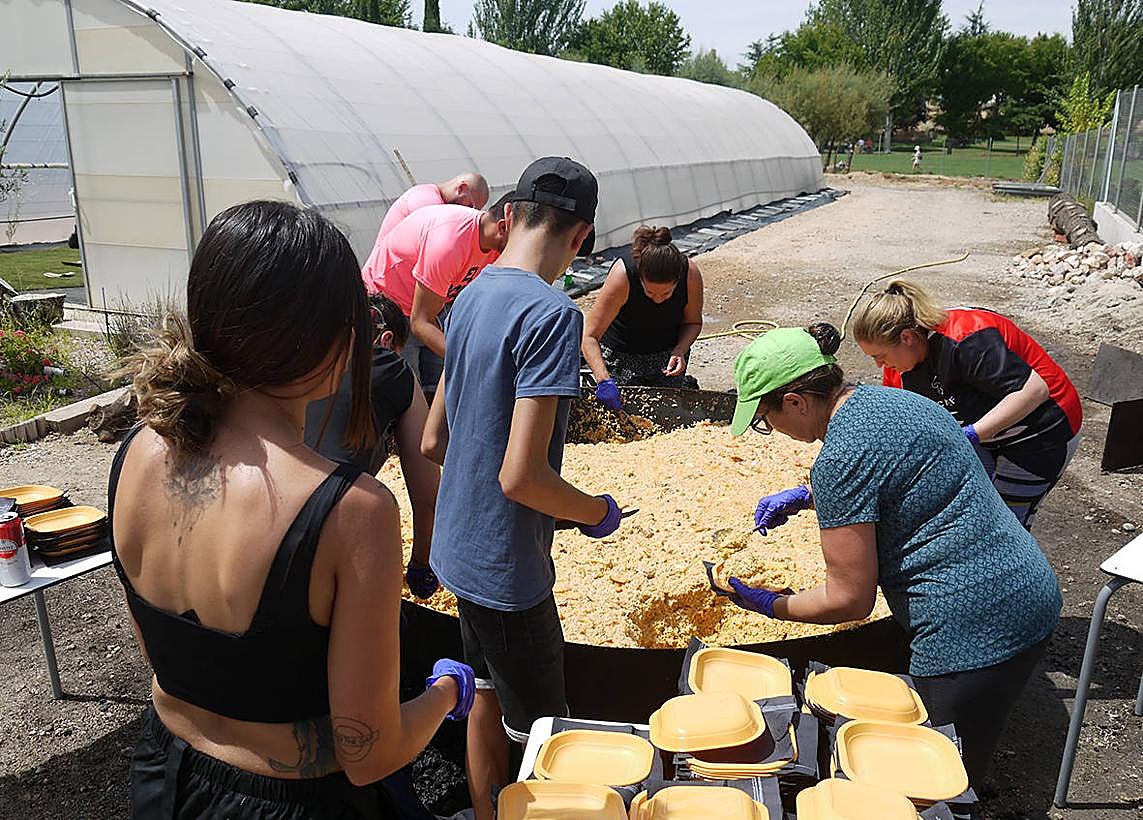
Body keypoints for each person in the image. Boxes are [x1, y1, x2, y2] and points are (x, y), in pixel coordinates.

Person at [111, 200, 474, 819]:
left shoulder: (138, 451)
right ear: (334, 340)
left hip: (165, 773)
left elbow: (161, 655)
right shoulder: (351, 512)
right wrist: (445, 691)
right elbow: (371, 752)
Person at [723, 324, 1061, 791]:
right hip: (1029, 583)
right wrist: (810, 496)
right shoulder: (899, 401)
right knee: (971, 739)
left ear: (797, 402)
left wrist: (769, 604)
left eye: (765, 417)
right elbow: (909, 481)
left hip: (969, 627)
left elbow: (849, 601)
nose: (770, 430)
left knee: (933, 781)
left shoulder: (841, 456)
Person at [422, 157, 624, 820]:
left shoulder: (470, 295)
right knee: (546, 734)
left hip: (455, 550)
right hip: (507, 572)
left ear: (507, 217)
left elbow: (433, 442)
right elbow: (523, 476)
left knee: (480, 693)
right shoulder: (551, 316)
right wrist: (595, 512)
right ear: (582, 235)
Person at [851, 280, 1082, 530]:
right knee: (963, 507)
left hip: (1042, 429)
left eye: (880, 356)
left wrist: (972, 434)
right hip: (980, 431)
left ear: (907, 337)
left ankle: (1015, 565)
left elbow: (1034, 390)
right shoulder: (898, 369)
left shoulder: (967, 338)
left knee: (1004, 524)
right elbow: (898, 427)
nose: (878, 365)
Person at [304, 293, 440, 600]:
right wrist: (421, 564)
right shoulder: (392, 368)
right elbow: (428, 496)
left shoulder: (301, 353)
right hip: (331, 523)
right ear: (387, 339)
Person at [361, 200, 509, 393]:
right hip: (390, 306)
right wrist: (476, 365)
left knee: (438, 381)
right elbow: (420, 323)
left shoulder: (495, 245)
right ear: (503, 227)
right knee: (405, 387)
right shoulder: (450, 242)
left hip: (430, 304)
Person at [581, 225, 704, 410]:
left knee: (664, 411)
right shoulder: (623, 276)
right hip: (622, 355)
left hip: (666, 355)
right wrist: (603, 381)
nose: (658, 299)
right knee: (623, 414)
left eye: (666, 294)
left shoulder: (690, 274)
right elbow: (589, 336)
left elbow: (693, 322)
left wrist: (680, 349)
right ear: (640, 278)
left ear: (677, 280)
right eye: (650, 292)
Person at [375, 172, 490, 241]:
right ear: (461, 189)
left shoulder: (430, 198)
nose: (467, 213)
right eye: (470, 207)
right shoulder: (426, 201)